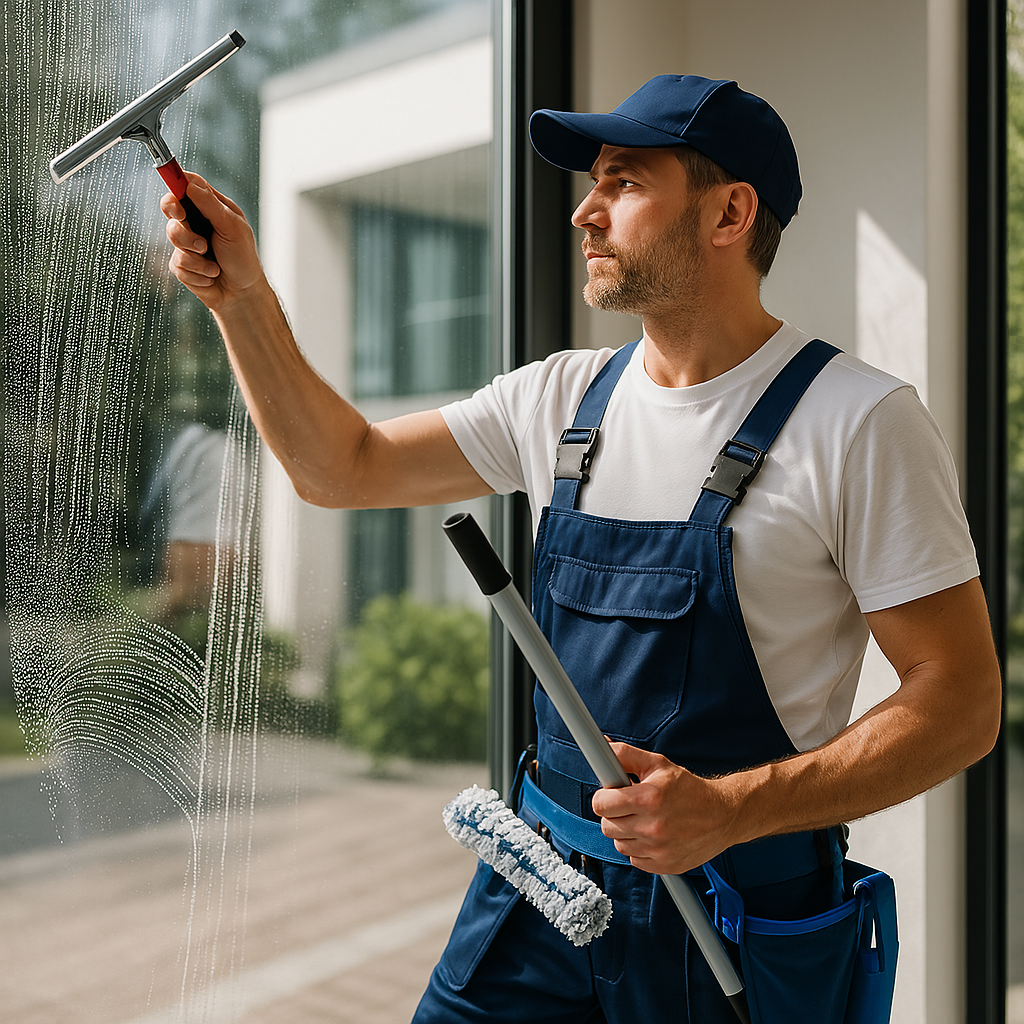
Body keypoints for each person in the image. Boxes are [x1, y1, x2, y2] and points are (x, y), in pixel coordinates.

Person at [161, 74, 1001, 1023]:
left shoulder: (858, 423)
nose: (584, 214)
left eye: (623, 183)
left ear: (730, 213)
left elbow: (960, 701)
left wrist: (734, 807)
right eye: (592, 182)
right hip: (539, 898)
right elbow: (343, 468)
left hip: (733, 921)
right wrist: (242, 296)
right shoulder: (557, 399)